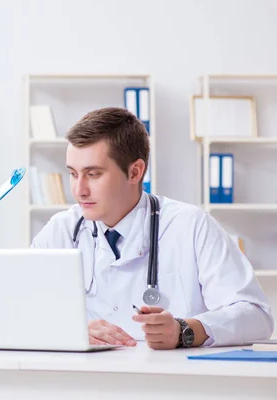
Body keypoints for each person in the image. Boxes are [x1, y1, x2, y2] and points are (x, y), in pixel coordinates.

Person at [31, 107, 273, 349]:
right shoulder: (61, 231)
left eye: (93, 174)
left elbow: (256, 317)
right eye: (73, 174)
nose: (79, 190)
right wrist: (68, 329)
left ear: (135, 171)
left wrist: (185, 330)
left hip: (171, 380)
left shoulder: (191, 226)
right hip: (84, 380)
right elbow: (17, 310)